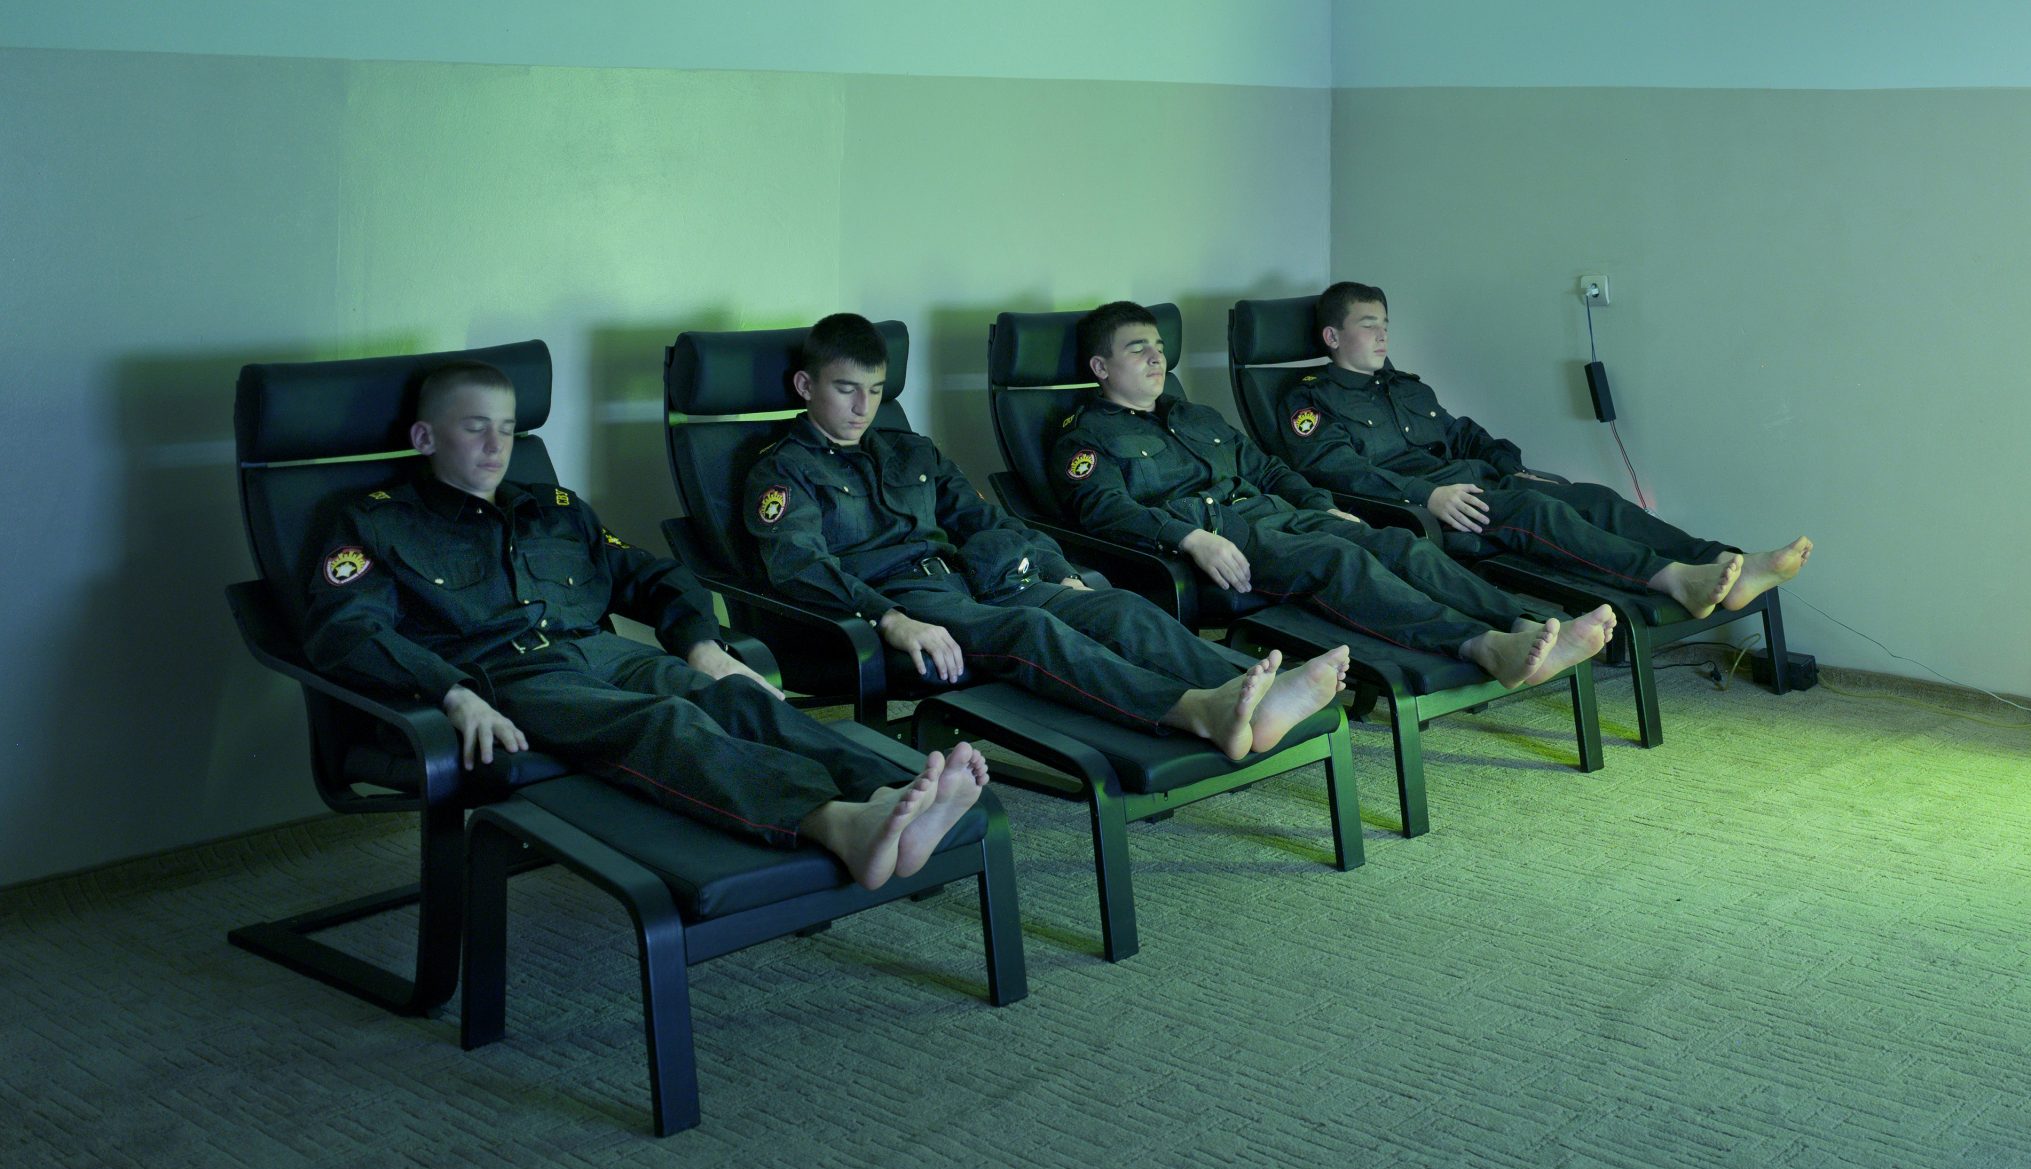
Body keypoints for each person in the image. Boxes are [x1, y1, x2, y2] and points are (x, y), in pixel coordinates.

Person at [302, 361, 984, 892]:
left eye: (507, 428)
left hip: (599, 654)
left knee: (733, 696)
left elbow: (656, 576)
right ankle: (834, 823)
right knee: (665, 720)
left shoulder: (554, 509)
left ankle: (888, 792)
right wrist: (453, 693)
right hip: (506, 678)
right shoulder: (375, 522)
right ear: (425, 437)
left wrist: (702, 646)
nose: (495, 445)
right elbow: (347, 629)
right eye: (474, 427)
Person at [740, 314, 1342, 761]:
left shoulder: (909, 450)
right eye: (846, 389)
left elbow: (986, 521)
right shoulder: (783, 471)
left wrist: (1057, 568)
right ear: (805, 386)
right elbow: (799, 565)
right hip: (904, 600)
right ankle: (1195, 712)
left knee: (1116, 606)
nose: (863, 407)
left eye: (875, 390)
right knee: (1033, 631)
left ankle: (1248, 693)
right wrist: (888, 619)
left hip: (980, 578)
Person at [1053, 303, 1613, 689]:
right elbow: (1104, 509)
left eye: (1158, 347)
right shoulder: (1084, 438)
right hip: (1225, 542)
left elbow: (1269, 469)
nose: (1157, 358)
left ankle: (1518, 625)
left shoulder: (1196, 416)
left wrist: (1323, 505)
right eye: (1138, 350)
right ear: (1101, 367)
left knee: (1399, 544)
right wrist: (1190, 538)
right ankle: (1479, 645)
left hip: (1283, 517)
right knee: (1340, 560)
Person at [1282, 282, 1812, 620]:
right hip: (1431, 508)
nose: (1383, 335)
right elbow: (1334, 469)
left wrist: (1513, 467)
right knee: (1538, 511)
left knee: (1592, 496)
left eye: (1386, 324)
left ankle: (1724, 561)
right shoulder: (1309, 399)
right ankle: (1673, 579)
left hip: (1483, 483)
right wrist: (1426, 495)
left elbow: (1465, 434)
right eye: (1368, 325)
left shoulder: (1408, 388)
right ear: (1332, 336)